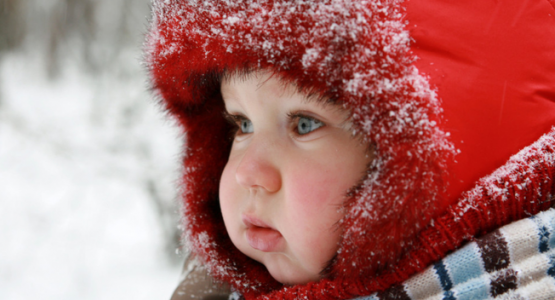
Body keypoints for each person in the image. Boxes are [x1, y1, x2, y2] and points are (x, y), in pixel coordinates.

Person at [144, 0, 555, 299]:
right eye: (241, 124)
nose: (246, 173)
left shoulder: (515, 283)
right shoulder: (214, 291)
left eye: (304, 124)